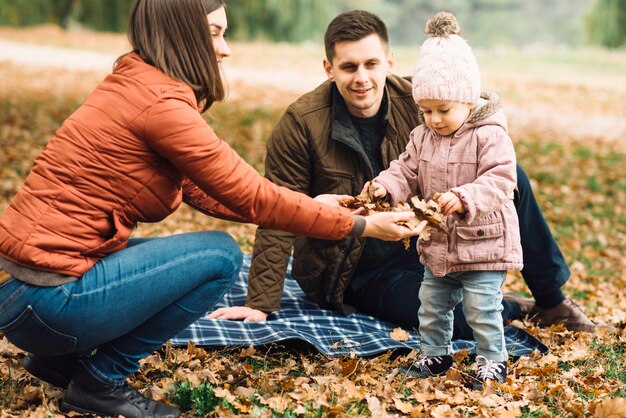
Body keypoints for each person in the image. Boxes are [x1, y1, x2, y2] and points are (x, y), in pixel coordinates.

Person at [0, 1, 423, 418]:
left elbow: (204, 189)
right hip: (47, 302)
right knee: (220, 257)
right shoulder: (161, 106)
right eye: (216, 33)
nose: (226, 48)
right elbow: (251, 196)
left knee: (180, 259)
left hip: (27, 292)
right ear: (185, 35)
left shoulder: (136, 83)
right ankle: (100, 381)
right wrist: (359, 224)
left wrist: (309, 206)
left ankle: (58, 361)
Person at [209, 9, 597, 334]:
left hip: (424, 243)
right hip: (354, 266)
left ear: (389, 62)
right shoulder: (300, 124)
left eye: (371, 64)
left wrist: (463, 197)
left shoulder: (422, 99)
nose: (362, 77)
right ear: (329, 68)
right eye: (348, 67)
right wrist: (260, 303)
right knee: (455, 322)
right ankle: (513, 308)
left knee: (515, 177)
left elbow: (477, 129)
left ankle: (552, 302)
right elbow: (279, 209)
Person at [367, 11, 521, 389]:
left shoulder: (489, 135)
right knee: (431, 305)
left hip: (483, 242)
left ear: (467, 100)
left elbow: (500, 179)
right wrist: (386, 186)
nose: (434, 119)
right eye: (427, 110)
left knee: (482, 308)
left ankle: (492, 358)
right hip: (439, 245)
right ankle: (435, 351)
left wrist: (463, 196)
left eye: (443, 110)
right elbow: (406, 170)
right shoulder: (422, 137)